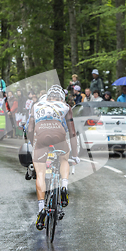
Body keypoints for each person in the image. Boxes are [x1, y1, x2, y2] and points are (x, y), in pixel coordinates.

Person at [26, 85, 80, 230]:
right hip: (59, 134)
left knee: (41, 175)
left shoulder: (36, 105)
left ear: (47, 96)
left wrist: (34, 144)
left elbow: (29, 129)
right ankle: (63, 186)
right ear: (61, 98)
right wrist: (74, 154)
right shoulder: (65, 106)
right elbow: (72, 132)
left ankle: (41, 208)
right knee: (64, 159)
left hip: (41, 135)